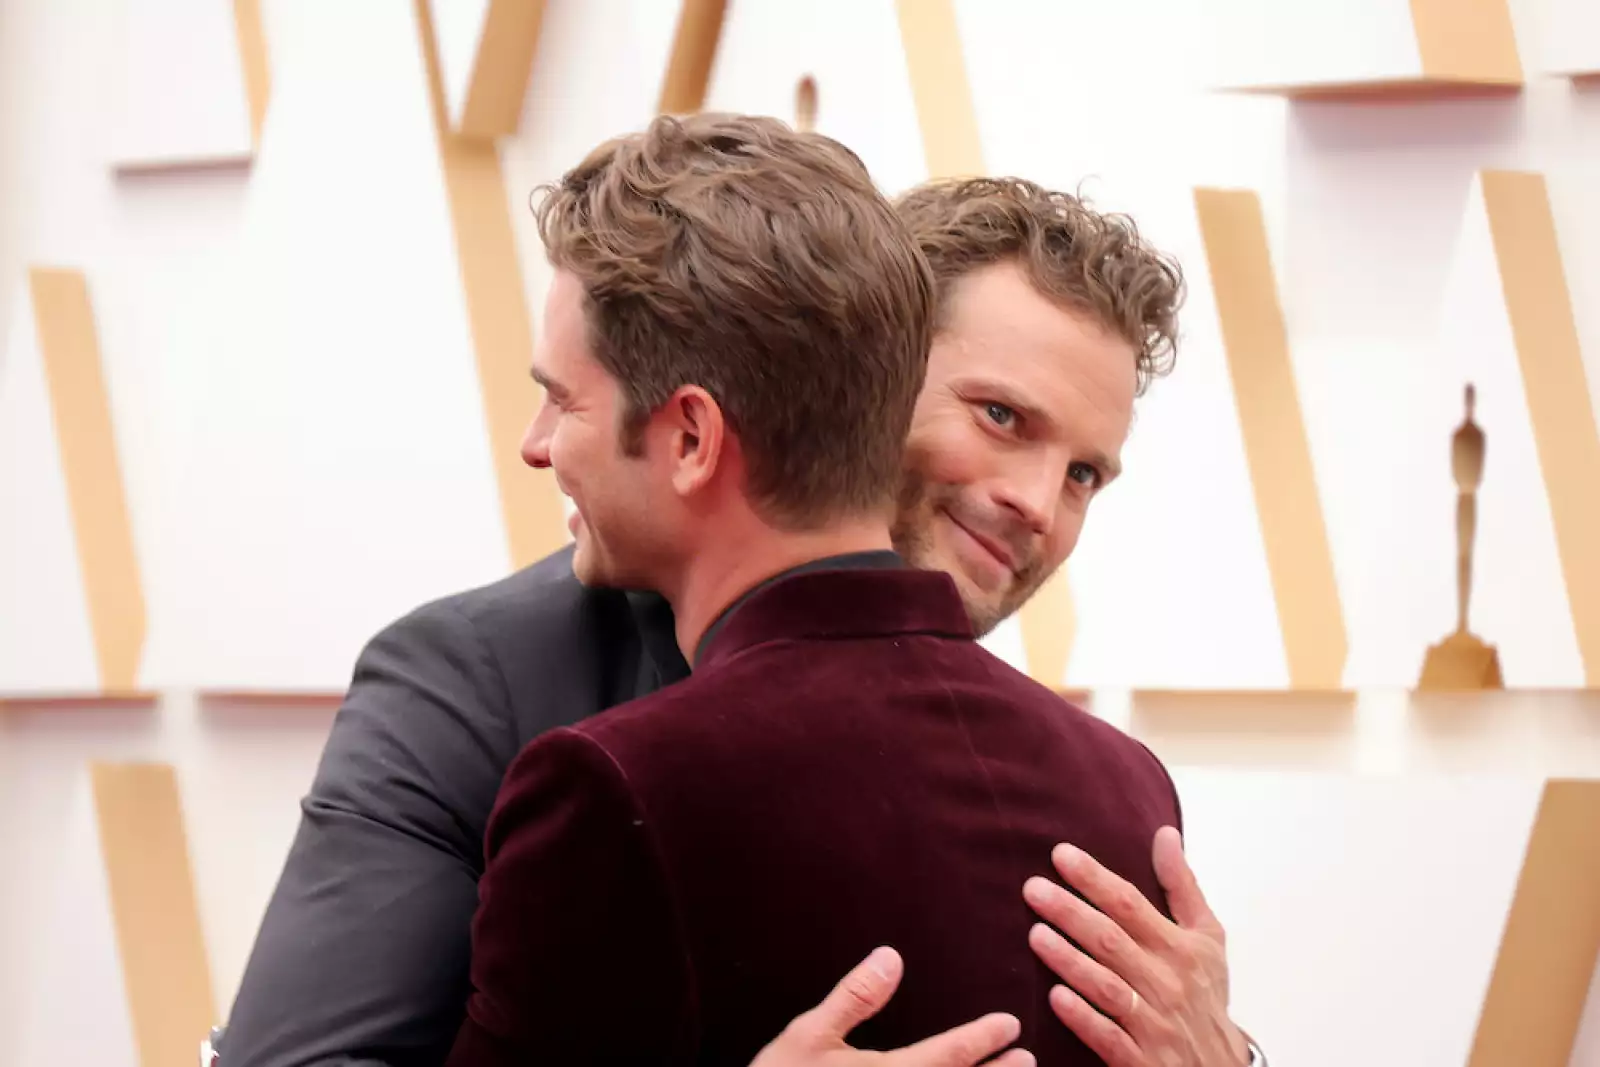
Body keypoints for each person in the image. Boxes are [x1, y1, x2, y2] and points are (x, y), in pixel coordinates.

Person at [219, 126, 1260, 1067]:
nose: (1036, 502)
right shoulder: (481, 681)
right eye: (1000, 417)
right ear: (865, 364)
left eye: (1084, 473)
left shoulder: (1083, 774)